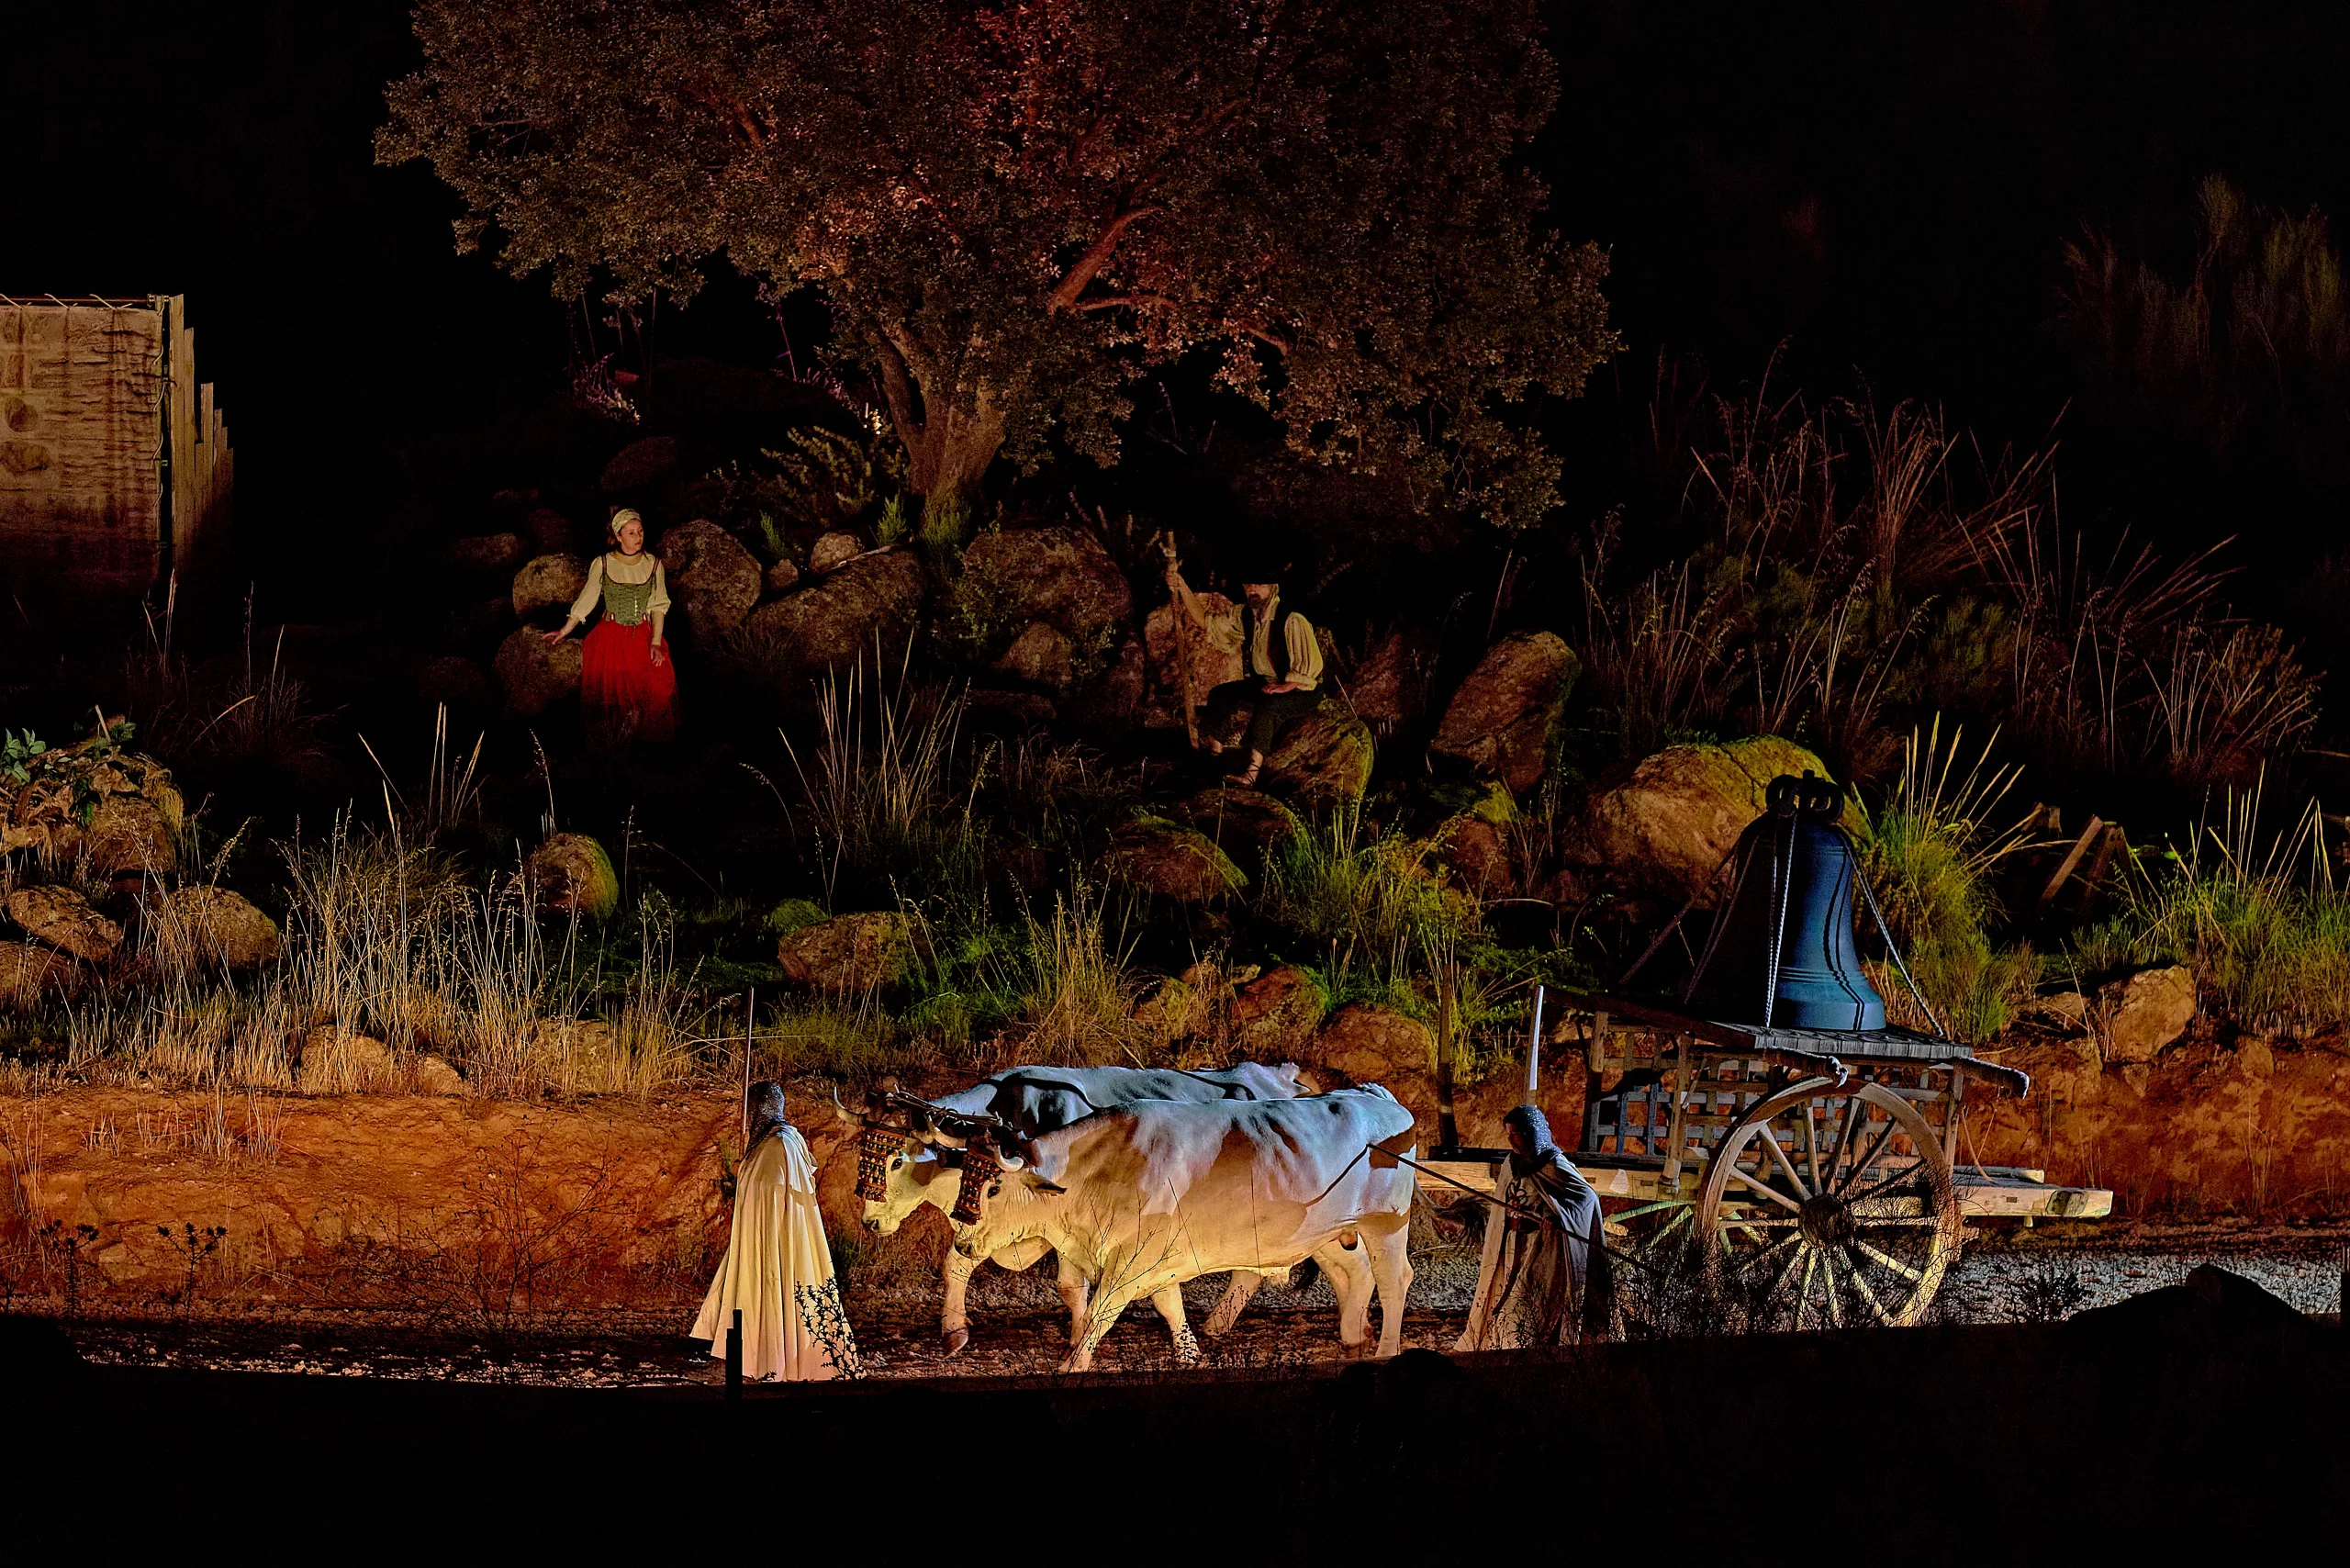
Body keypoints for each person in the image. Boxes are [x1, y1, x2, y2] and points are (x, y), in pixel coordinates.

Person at [690, 1081, 859, 1381]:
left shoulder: (778, 1145)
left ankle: (775, 1361)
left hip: (776, 1242)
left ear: (758, 1109)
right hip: (763, 1237)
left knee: (773, 1288)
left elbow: (768, 1198)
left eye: (751, 1108)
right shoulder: (783, 1140)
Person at [1455, 1104, 1610, 1352]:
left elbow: (1587, 1198)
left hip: (1541, 1251)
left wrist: (1558, 1218)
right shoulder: (1511, 1163)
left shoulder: (1554, 1165)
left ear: (1531, 1133)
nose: (1510, 1139)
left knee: (1528, 1308)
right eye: (1508, 1133)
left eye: (1515, 1133)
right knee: (1502, 1300)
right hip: (1511, 1246)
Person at [1162, 555, 1324, 787]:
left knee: (1268, 707)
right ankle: (1215, 757)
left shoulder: (1292, 619)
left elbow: (1310, 667)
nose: (1252, 590)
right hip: (1267, 683)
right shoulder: (1246, 615)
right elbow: (1207, 622)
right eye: (1248, 585)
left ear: (1272, 587)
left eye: (1258, 585)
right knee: (1221, 694)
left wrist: (1286, 686)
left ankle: (1251, 774)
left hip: (1302, 691)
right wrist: (1181, 585)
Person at [543, 508, 677, 745]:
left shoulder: (653, 565)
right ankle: (613, 749)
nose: (638, 537)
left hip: (642, 634)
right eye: (631, 533)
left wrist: (655, 642)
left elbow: (658, 606)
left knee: (656, 684)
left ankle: (645, 748)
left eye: (640, 531)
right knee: (612, 692)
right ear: (618, 537)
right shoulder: (603, 563)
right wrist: (565, 630)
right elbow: (588, 599)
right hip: (611, 635)